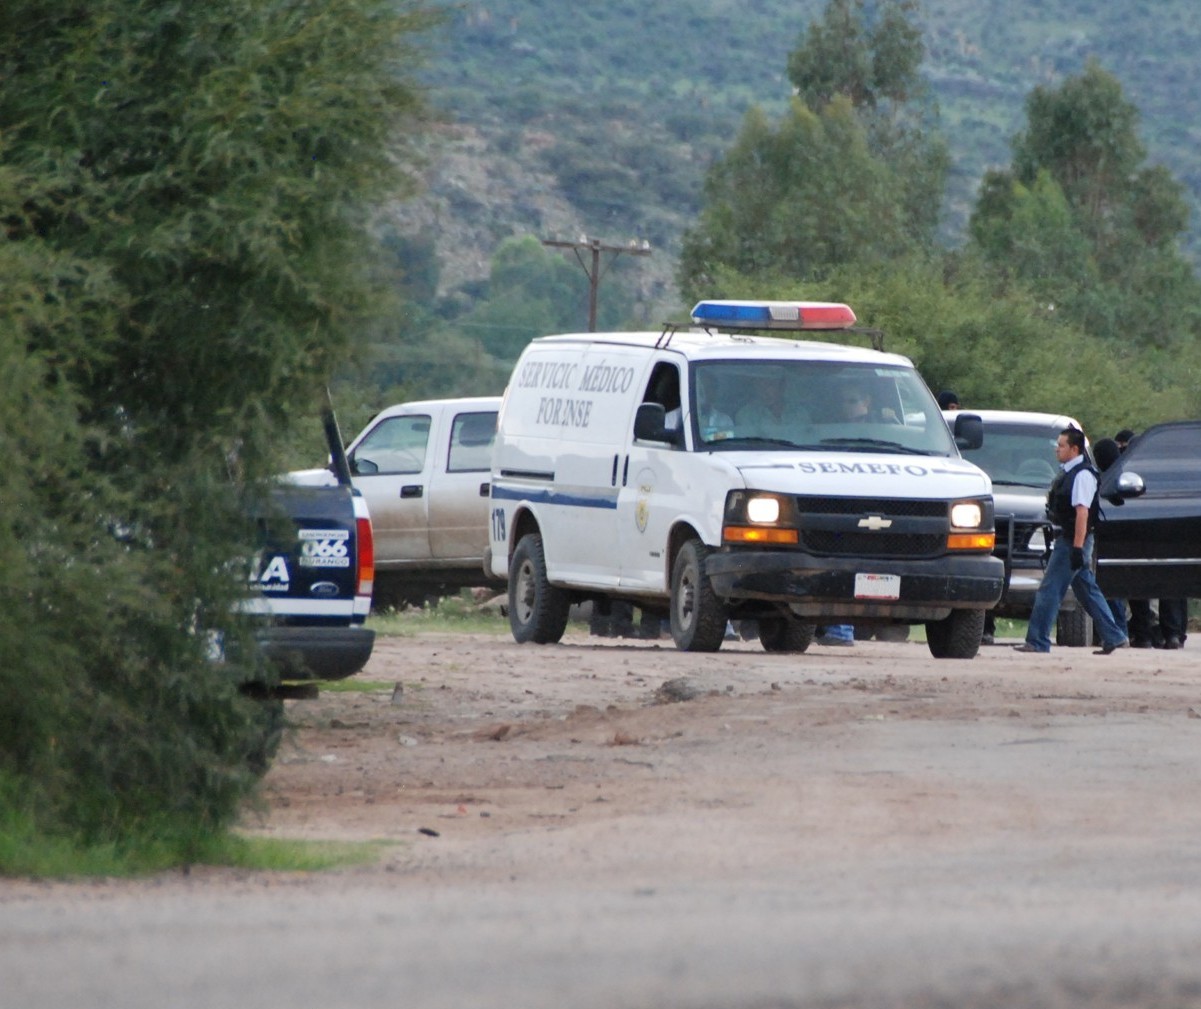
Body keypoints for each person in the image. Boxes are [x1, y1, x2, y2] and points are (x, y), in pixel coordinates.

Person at [1014, 426, 1129, 655]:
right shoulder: (1070, 473)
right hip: (1072, 539)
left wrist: (1077, 547)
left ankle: (1037, 641)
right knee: (1086, 589)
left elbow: (1082, 513)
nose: (1057, 449)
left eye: (1061, 445)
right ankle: (1114, 636)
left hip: (1072, 541)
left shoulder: (1082, 475)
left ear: (1074, 449)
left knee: (1050, 589)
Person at [734, 371, 809, 441]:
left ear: (782, 387)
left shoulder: (799, 414)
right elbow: (748, 445)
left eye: (770, 385)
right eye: (760, 385)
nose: (764, 391)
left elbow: (807, 440)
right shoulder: (746, 415)